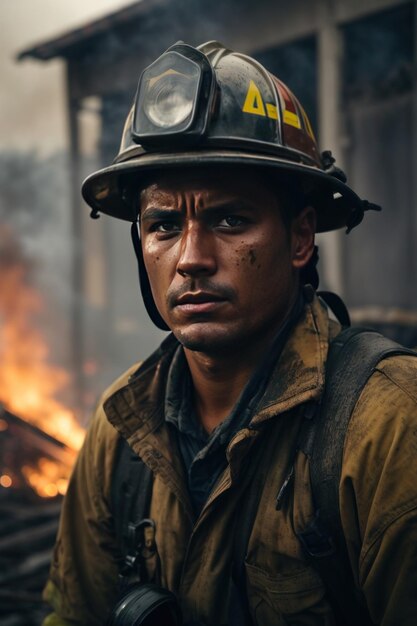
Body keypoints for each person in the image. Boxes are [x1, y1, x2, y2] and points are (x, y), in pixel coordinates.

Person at [42, 41, 417, 626]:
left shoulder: (389, 425)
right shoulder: (120, 431)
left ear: (300, 239)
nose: (190, 258)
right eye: (164, 225)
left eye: (230, 219)